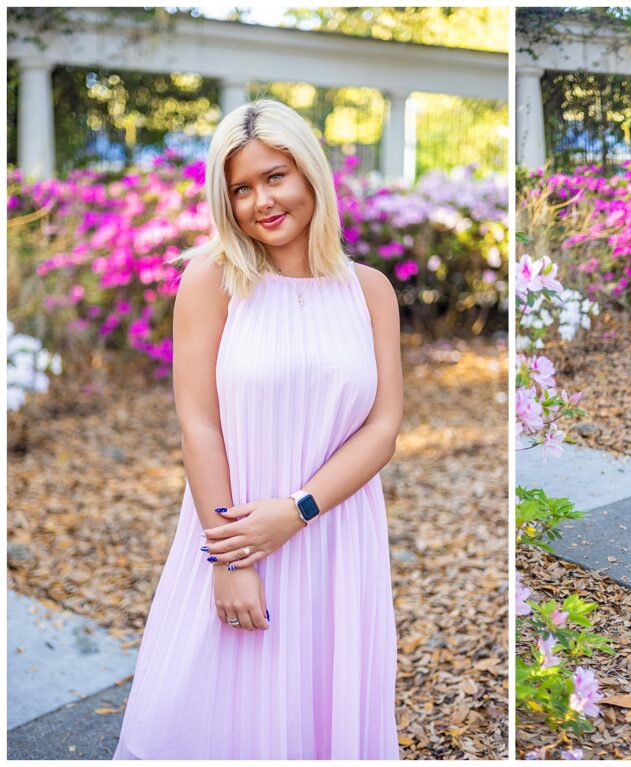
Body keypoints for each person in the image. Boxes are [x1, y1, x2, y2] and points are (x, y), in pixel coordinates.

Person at [113, 99, 402, 757]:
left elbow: (383, 428)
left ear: (310, 175)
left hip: (336, 539)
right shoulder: (212, 280)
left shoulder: (371, 290)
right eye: (240, 187)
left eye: (275, 176)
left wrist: (296, 511)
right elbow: (200, 422)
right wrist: (229, 558)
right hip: (233, 532)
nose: (259, 201)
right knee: (207, 711)